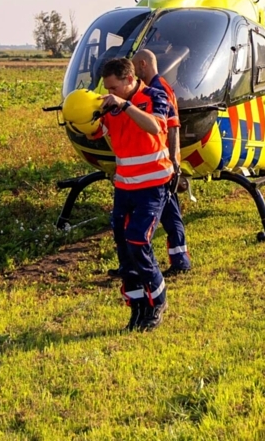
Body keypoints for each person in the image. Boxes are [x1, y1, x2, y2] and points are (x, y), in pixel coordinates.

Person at [92, 57, 173, 331]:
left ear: (129, 79)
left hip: (152, 185)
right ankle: (137, 305)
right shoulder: (112, 104)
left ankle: (157, 299)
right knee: (124, 247)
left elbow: (156, 127)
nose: (110, 93)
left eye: (113, 87)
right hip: (124, 186)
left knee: (138, 240)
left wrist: (125, 106)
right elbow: (97, 132)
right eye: (107, 88)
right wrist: (84, 116)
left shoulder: (154, 95)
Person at [132, 48, 191, 276]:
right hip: (158, 162)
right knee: (168, 211)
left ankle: (180, 261)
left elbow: (173, 127)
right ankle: (179, 260)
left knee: (169, 213)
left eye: (135, 66)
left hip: (162, 163)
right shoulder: (152, 88)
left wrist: (174, 161)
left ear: (144, 64)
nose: (133, 71)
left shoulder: (159, 90)